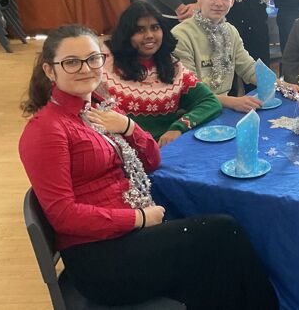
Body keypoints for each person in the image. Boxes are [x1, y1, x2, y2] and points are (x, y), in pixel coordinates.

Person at [19, 24, 278, 308]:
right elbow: (63, 216)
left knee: (216, 258)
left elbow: (152, 160)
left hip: (130, 234)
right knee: (221, 234)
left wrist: (128, 126)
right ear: (49, 70)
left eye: (93, 59)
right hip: (99, 257)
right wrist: (139, 219)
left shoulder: (100, 108)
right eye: (71, 62)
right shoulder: (47, 130)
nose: (86, 68)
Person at [172, 0, 299, 112]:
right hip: (193, 112)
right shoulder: (180, 35)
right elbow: (190, 90)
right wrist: (234, 102)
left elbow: (249, 69)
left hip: (223, 108)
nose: (219, 3)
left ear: (232, 1)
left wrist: (282, 85)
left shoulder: (231, 31)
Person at [98, 1, 222, 146]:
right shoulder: (105, 64)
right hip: (119, 151)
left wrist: (178, 127)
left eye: (155, 28)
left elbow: (210, 102)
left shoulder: (173, 67)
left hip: (163, 148)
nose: (149, 35)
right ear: (127, 34)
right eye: (140, 30)